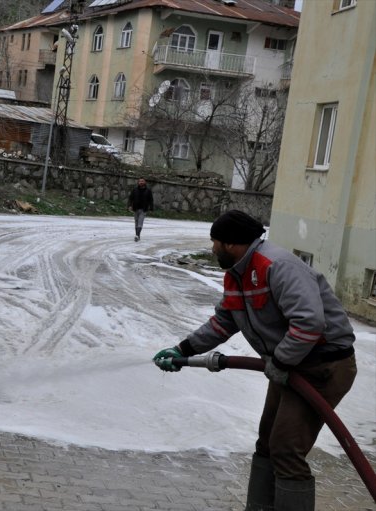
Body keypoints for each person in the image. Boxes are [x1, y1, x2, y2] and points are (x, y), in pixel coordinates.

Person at [152, 210, 357, 511]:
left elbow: (309, 323)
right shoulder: (237, 274)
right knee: (267, 444)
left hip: (323, 367)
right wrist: (183, 349)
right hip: (291, 366)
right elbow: (223, 322)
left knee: (286, 449)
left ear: (231, 244)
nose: (212, 249)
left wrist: (283, 362)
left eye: (215, 242)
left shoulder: (277, 266)